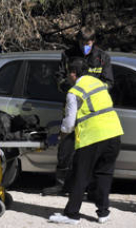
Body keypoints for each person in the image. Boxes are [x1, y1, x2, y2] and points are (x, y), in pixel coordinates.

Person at [49, 57, 123, 224]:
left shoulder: (74, 92)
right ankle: (103, 212)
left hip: (93, 137)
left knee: (80, 175)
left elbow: (68, 124)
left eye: (68, 74)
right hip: (114, 133)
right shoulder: (99, 84)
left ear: (73, 74)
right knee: (104, 174)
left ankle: (71, 214)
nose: (67, 77)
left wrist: (60, 136)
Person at [43, 26, 114, 196]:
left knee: (90, 150)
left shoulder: (102, 57)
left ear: (93, 41)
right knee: (66, 147)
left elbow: (109, 82)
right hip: (72, 105)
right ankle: (61, 184)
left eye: (88, 42)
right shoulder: (68, 55)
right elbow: (59, 78)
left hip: (92, 111)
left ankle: (90, 188)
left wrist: (89, 90)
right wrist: (73, 87)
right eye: (82, 42)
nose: (85, 46)